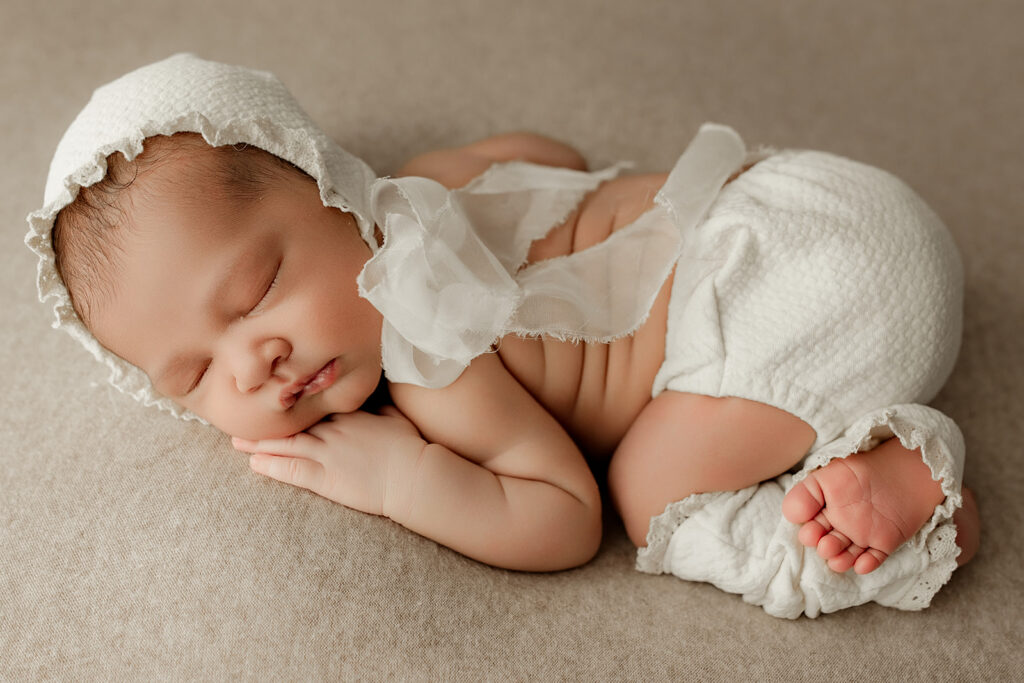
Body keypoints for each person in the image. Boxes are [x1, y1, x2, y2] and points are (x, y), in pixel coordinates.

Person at [26, 54, 979, 618]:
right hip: (820, 200)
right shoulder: (430, 176)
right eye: (194, 373)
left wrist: (405, 479)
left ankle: (912, 498)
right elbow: (551, 157)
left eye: (259, 289)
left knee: (651, 495)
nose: (255, 361)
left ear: (327, 186)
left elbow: (564, 518)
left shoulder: (428, 350)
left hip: (797, 310)